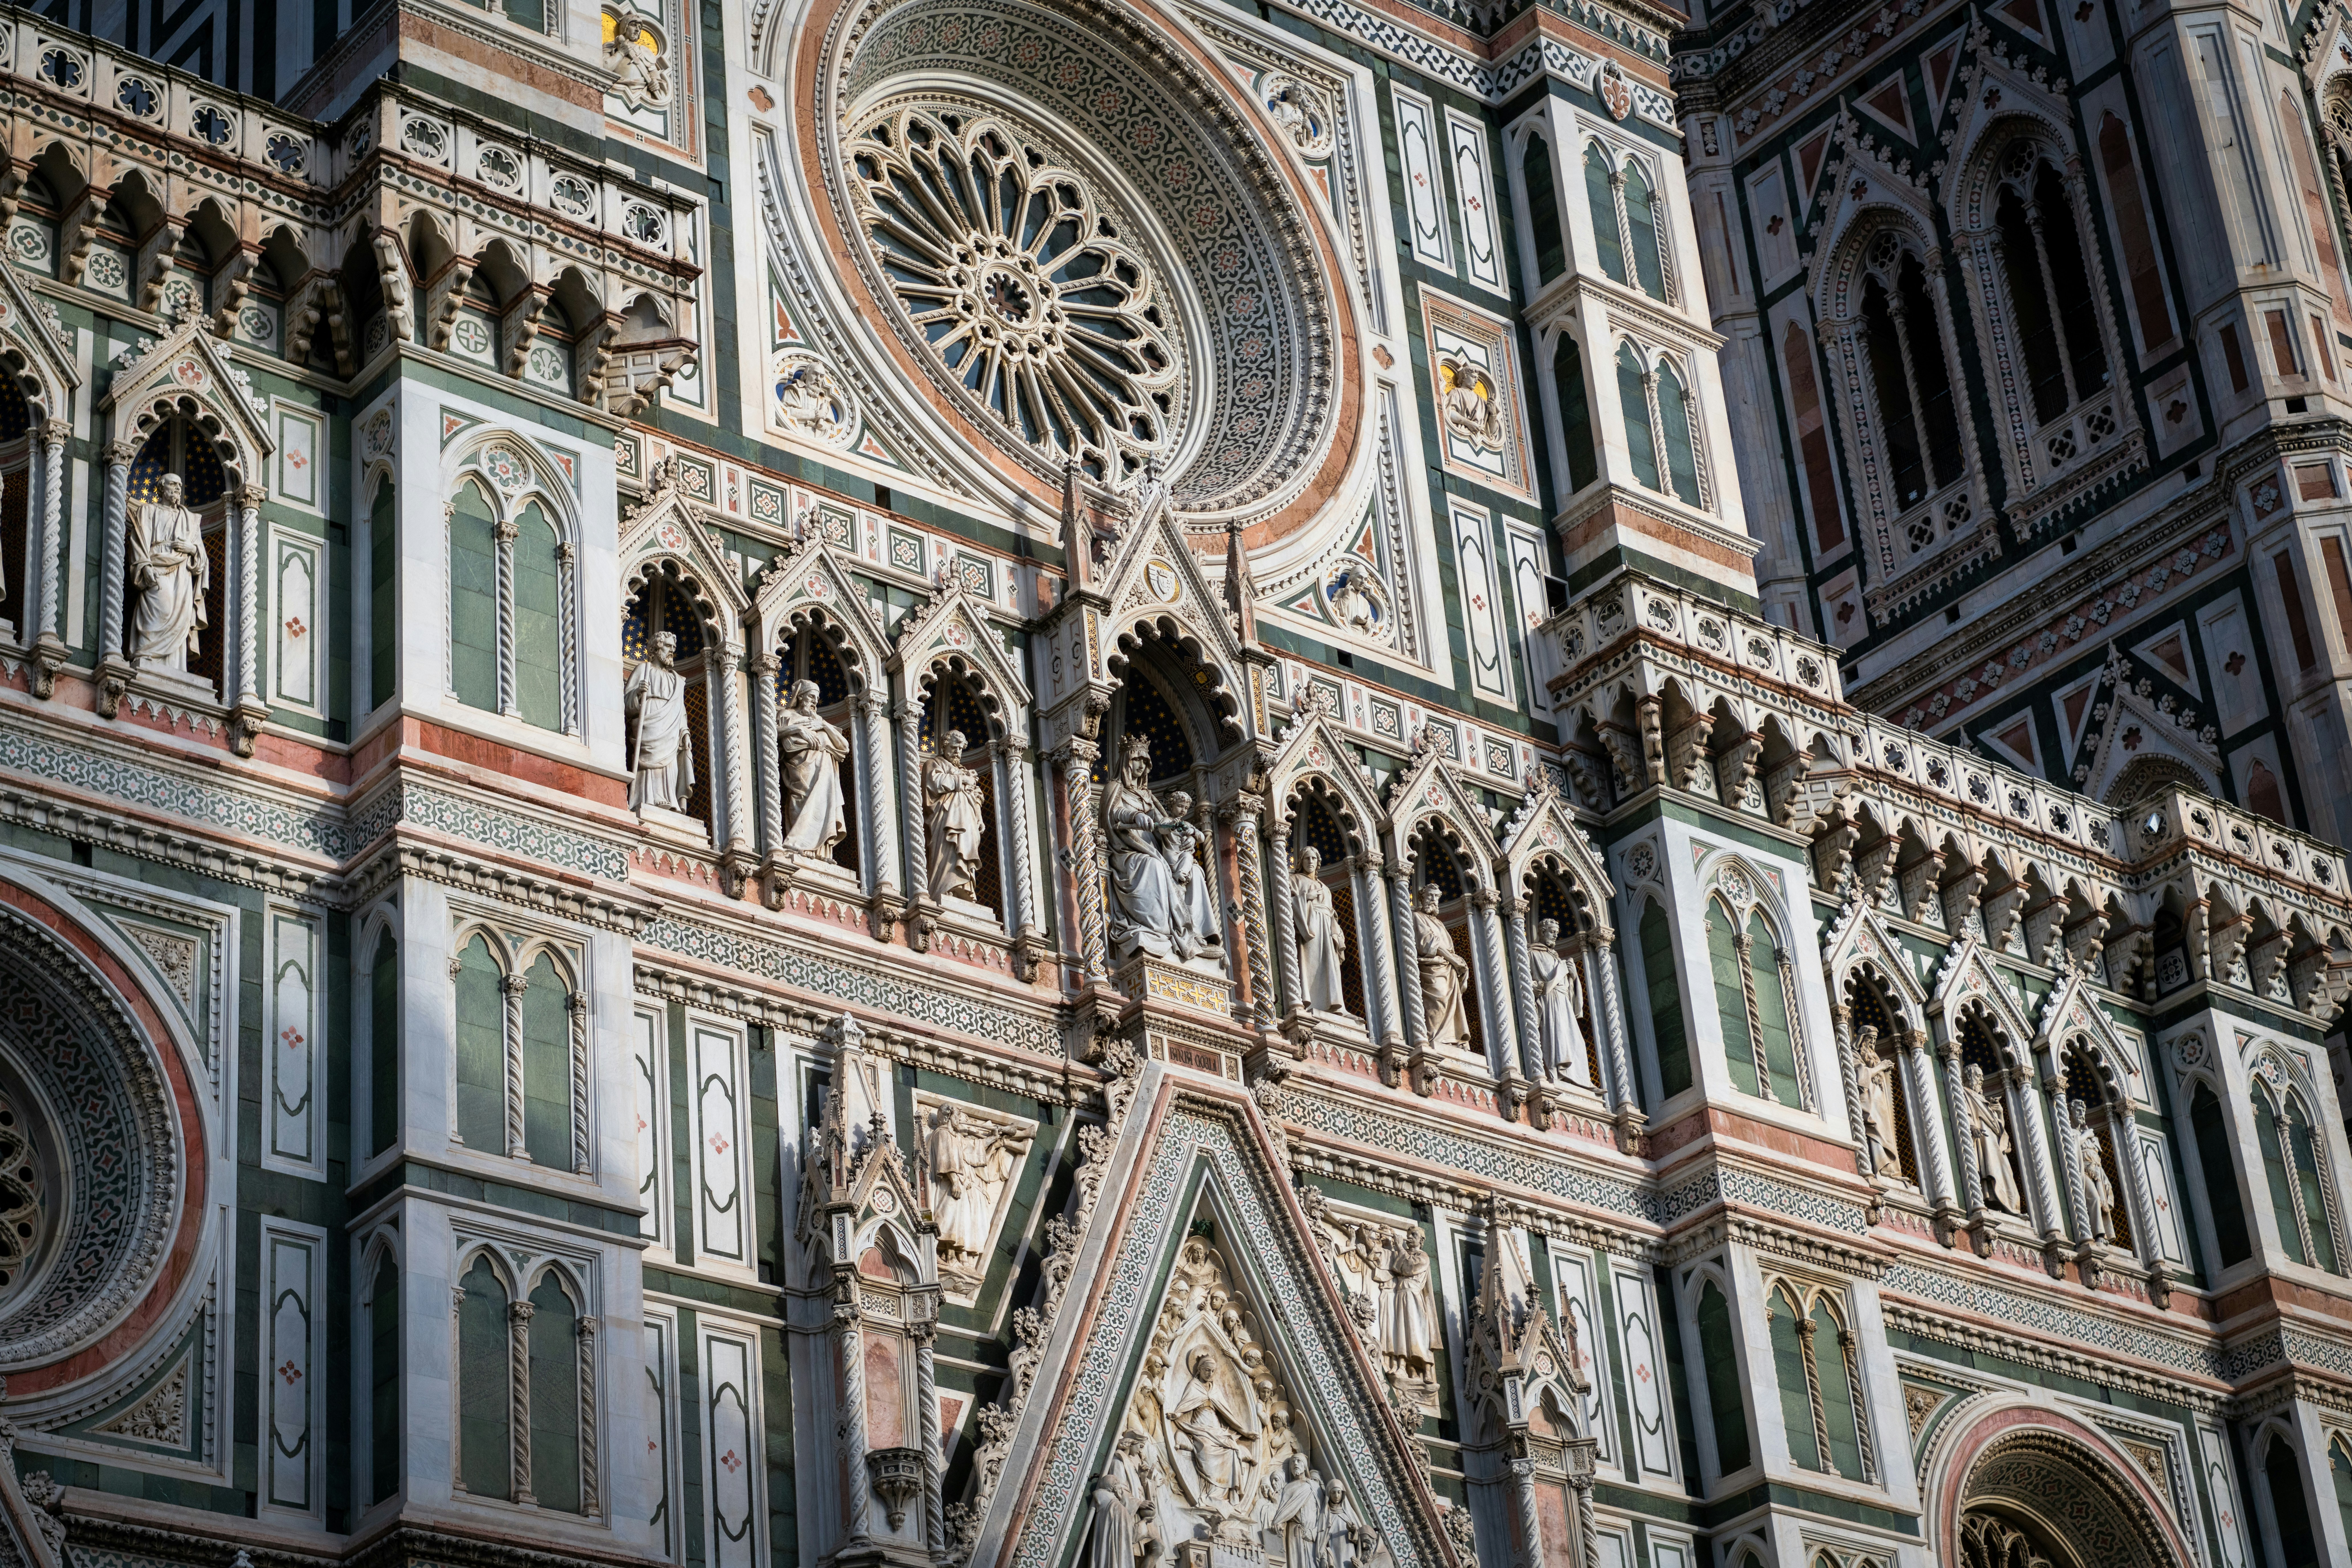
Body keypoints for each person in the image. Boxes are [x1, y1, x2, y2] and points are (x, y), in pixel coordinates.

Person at [128, 473, 209, 673]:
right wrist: (145, 566)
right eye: (173, 484)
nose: (178, 489)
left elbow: (202, 560)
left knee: (181, 620)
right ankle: (146, 656)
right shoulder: (148, 511)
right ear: (162, 488)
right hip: (156, 569)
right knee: (159, 609)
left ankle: (175, 668)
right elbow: (138, 543)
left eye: (180, 485)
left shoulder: (190, 520)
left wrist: (191, 549)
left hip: (182, 575)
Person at [777, 678, 849, 854]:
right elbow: (773, 732)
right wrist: (798, 730)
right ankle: (797, 844)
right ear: (801, 697)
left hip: (825, 772)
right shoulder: (787, 715)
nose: (815, 702)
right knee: (800, 801)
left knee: (823, 806)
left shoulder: (819, 721)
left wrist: (824, 725)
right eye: (811, 697)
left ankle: (819, 852)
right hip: (801, 770)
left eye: (817, 698)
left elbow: (845, 747)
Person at [623, 631, 693, 812]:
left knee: (670, 763)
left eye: (674, 648)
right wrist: (638, 693)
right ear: (656, 648)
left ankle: (669, 799)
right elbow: (626, 704)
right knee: (650, 761)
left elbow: (681, 711)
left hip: (671, 727)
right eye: (668, 646)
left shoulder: (677, 680)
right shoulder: (643, 670)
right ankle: (646, 798)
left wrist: (685, 733)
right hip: (650, 720)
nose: (672, 651)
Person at [1158, 792, 1222, 963]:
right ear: (1171, 806)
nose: (1183, 811)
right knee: (1187, 861)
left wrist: (1193, 833)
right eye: (1180, 807)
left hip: (1185, 859)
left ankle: (1199, 931)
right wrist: (1173, 826)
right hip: (1170, 859)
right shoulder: (1167, 821)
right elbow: (1161, 829)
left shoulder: (1187, 825)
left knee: (1194, 866)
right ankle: (1180, 876)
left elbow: (1202, 837)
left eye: (1186, 808)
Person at [925, 728, 988, 900]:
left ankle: (964, 885)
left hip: (967, 820)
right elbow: (935, 783)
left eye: (960, 749)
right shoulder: (934, 764)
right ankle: (944, 886)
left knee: (966, 846)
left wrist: (979, 818)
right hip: (945, 819)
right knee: (948, 850)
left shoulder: (965, 771)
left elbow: (977, 796)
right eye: (954, 748)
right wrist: (962, 780)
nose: (957, 752)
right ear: (945, 746)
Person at [1529, 919, 1589, 1086]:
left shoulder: (1557, 957)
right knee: (1557, 1038)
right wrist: (1538, 987)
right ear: (1542, 932)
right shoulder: (1532, 953)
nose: (1556, 935)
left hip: (1564, 1003)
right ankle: (1556, 1074)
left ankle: (1576, 1078)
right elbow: (1524, 980)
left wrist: (1574, 976)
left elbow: (1570, 993)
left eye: (1557, 932)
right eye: (1552, 932)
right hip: (1550, 1001)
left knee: (1576, 1041)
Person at [1413, 885, 1471, 1049]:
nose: (1433, 900)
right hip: (1432, 967)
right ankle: (1433, 1037)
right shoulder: (1417, 917)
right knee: (1439, 997)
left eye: (1436, 897)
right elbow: (1428, 943)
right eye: (1430, 896)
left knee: (1451, 1002)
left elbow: (1447, 947)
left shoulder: (1439, 923)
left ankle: (1450, 1039)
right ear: (1422, 899)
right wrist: (1453, 960)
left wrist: (1458, 962)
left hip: (1448, 967)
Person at [1293, 847, 1348, 1013]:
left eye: (1314, 859)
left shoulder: (1325, 888)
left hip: (1327, 928)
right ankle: (1311, 1003)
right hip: (1310, 925)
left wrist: (1336, 929)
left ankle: (1334, 1005)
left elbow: (1331, 912)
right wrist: (1305, 898)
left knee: (1330, 965)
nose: (1310, 862)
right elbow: (1286, 903)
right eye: (1307, 858)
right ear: (1301, 861)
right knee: (1311, 962)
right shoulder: (1294, 880)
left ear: (1318, 863)